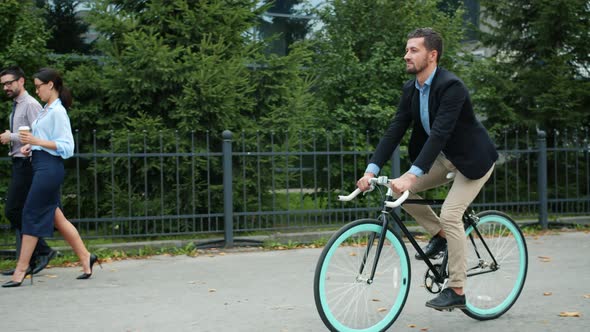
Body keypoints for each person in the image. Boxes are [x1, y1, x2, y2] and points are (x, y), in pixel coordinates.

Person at [356, 28, 498, 310]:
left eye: (413, 50)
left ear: (432, 55)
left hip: (473, 160)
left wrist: (413, 174)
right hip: (444, 158)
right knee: (398, 191)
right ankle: (441, 236)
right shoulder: (411, 89)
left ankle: (456, 289)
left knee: (451, 213)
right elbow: (395, 130)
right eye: (407, 49)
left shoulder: (451, 86)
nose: (406, 55)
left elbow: (440, 134)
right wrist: (371, 170)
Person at [2, 68, 100, 288]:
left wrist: (36, 142)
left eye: (38, 86)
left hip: (49, 170)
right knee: (57, 218)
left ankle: (21, 270)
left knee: (29, 213)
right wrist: (30, 145)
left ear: (51, 85)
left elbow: (67, 147)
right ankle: (86, 258)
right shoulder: (47, 110)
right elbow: (44, 139)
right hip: (40, 165)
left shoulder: (58, 112)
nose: (36, 91)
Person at [0, 66, 57, 276]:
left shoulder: (31, 104)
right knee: (25, 212)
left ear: (21, 81)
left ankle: (43, 250)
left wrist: (11, 137)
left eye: (9, 83)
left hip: (28, 164)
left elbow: (39, 132)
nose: (6, 87)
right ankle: (31, 259)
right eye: (3, 84)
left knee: (13, 211)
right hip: (19, 162)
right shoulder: (17, 105)